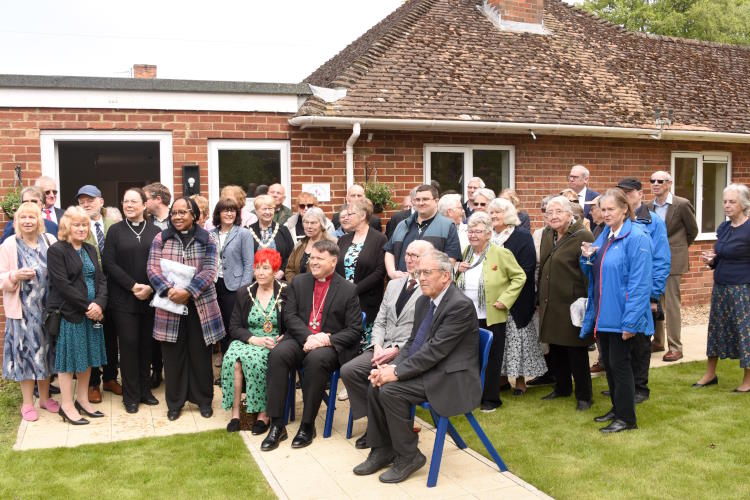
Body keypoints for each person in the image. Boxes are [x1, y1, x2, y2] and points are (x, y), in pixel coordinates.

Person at [353, 250, 480, 483]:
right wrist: (389, 369)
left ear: (445, 276)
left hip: (451, 377)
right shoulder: (424, 301)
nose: (420, 277)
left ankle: (409, 455)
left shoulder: (459, 306)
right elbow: (414, 343)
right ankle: (382, 449)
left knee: (391, 390)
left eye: (426, 272)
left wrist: (397, 373)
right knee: (376, 384)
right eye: (419, 272)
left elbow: (435, 352)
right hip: (430, 369)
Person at [261, 240, 362, 451]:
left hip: (328, 346)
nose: (313, 262)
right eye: (312, 257)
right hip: (300, 338)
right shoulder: (299, 282)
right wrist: (309, 337)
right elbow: (289, 315)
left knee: (316, 361)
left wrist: (326, 339)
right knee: (278, 355)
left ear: (333, 262)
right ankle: (277, 425)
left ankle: (308, 425)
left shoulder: (348, 289)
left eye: (319, 258)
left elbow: (354, 330)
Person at [340, 240, 432, 448]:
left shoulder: (428, 290)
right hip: (382, 347)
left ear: (427, 259)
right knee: (349, 370)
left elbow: (421, 331)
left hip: (405, 351)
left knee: (383, 381)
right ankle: (375, 424)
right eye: (407, 254)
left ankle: (380, 430)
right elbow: (380, 320)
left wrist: (396, 350)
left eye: (415, 255)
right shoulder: (393, 284)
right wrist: (378, 345)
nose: (409, 259)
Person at [580, 189, 653, 433]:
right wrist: (586, 257)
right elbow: (594, 269)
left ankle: (627, 419)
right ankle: (617, 409)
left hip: (622, 316)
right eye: (603, 209)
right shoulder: (606, 235)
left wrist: (630, 322)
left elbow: (640, 283)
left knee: (621, 367)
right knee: (610, 366)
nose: (606, 213)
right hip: (604, 314)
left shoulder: (637, 237)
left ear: (624, 209)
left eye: (611, 209)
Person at [147, 197, 225, 421]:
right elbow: (152, 268)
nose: (178, 216)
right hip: (170, 304)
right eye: (174, 213)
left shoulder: (207, 239)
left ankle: (204, 400)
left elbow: (210, 270)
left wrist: (188, 291)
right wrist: (168, 290)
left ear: (194, 215)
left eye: (183, 212)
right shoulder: (161, 238)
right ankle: (175, 402)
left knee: (201, 355)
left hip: (200, 305)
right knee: (173, 356)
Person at [456, 212, 525, 411]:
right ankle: (472, 397)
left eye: (478, 231)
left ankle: (491, 400)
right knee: (470, 358)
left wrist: (505, 299)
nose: (473, 235)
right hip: (467, 316)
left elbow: (519, 277)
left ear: (488, 234)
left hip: (491, 316)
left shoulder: (500, 253)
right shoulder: (467, 251)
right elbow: (456, 279)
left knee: (492, 359)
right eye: (470, 231)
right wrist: (457, 269)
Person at [101, 188, 161, 413]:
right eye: (126, 201)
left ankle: (145, 391)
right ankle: (131, 396)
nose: (129, 205)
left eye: (133, 201)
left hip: (149, 298)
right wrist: (133, 285)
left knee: (146, 346)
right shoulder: (115, 231)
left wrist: (150, 287)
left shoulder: (155, 231)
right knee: (128, 346)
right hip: (123, 299)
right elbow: (109, 263)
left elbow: (159, 264)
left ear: (144, 205)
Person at [47, 206, 108, 425]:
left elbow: (100, 279)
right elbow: (62, 285)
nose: (82, 229)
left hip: (93, 314)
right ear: (66, 227)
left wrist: (99, 304)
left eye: (84, 225)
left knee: (88, 358)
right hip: (71, 313)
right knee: (69, 361)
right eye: (77, 225)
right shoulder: (57, 250)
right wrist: (88, 306)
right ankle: (67, 405)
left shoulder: (91, 249)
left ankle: (83, 400)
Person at [0, 201, 60, 421]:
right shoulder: (9, 244)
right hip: (23, 313)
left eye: (32, 217)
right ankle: (27, 403)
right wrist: (14, 276)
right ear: (17, 221)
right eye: (23, 217)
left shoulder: (50, 241)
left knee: (46, 354)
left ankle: (44, 399)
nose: (27, 221)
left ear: (39, 220)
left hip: (47, 310)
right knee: (26, 355)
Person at [537, 196, 595, 410]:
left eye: (558, 212)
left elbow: (589, 270)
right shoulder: (546, 234)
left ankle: (584, 396)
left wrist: (588, 302)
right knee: (556, 346)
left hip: (573, 302)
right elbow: (543, 266)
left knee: (575, 350)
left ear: (570, 215)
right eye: (549, 212)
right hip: (550, 301)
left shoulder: (583, 234)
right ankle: (562, 388)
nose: (553, 216)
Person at [221, 249, 287, 433]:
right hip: (248, 338)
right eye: (257, 268)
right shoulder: (245, 292)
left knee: (256, 360)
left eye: (266, 268)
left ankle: (263, 413)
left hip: (273, 341)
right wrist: (254, 339)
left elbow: (293, 321)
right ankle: (236, 413)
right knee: (232, 360)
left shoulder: (285, 291)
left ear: (275, 270)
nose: (260, 272)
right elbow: (234, 327)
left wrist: (285, 337)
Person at [617, 177, 671, 404]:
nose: (626, 196)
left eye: (630, 192)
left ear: (640, 194)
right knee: (622, 343)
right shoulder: (619, 220)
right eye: (622, 193)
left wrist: (653, 295)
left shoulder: (654, 222)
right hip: (621, 292)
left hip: (643, 292)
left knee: (640, 342)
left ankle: (640, 388)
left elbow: (661, 260)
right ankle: (624, 385)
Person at [694, 184, 750, 392]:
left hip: (742, 289)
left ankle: (748, 379)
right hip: (720, 287)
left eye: (732, 202)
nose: (726, 205)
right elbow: (722, 257)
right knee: (716, 330)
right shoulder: (724, 228)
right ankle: (710, 373)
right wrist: (712, 260)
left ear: (743, 204)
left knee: (744, 333)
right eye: (725, 201)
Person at [489, 198, 546, 394]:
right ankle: (502, 378)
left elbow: (528, 268)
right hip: (492, 298)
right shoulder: (489, 237)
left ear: (508, 215)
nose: (494, 216)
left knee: (518, 340)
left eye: (498, 212)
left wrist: (507, 291)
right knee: (499, 339)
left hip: (518, 297)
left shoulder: (521, 236)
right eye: (492, 213)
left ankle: (520, 380)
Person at [647, 170, 699, 361]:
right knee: (655, 300)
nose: (655, 184)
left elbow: (692, 231)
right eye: (652, 180)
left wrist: (677, 249)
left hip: (674, 261)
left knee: (671, 304)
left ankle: (676, 347)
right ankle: (658, 341)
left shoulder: (682, 204)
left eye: (660, 181)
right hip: (653, 261)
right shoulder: (647, 206)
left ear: (669, 183)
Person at [76, 185, 121, 403]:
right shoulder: (78, 227)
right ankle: (94, 383)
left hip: (116, 290)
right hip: (90, 292)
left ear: (100, 201)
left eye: (90, 200)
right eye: (82, 201)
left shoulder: (114, 225)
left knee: (112, 337)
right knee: (93, 336)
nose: (86, 204)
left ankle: (111, 378)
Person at [335, 199, 387, 351]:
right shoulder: (343, 240)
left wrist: (354, 290)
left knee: (364, 347)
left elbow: (379, 272)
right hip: (343, 302)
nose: (346, 217)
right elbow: (336, 267)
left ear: (363, 215)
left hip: (366, 301)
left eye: (350, 214)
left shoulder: (379, 239)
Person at [384, 184, 461, 279]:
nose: (421, 203)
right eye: (418, 199)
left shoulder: (447, 226)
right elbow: (390, 251)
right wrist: (392, 273)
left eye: (425, 199)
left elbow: (450, 260)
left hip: (430, 288)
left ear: (436, 201)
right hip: (402, 284)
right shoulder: (402, 225)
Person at [210, 198, 255, 355]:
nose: (229, 213)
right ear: (218, 213)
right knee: (219, 327)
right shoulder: (210, 234)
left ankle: (234, 366)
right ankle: (224, 364)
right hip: (214, 285)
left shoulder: (243, 233)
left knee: (232, 327)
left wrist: (243, 290)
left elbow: (249, 264)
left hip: (234, 287)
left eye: (232, 210)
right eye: (225, 210)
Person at [143, 182, 172, 389]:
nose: (144, 203)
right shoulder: (147, 222)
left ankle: (173, 372)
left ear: (158, 199)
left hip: (175, 285)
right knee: (154, 330)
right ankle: (156, 370)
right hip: (152, 282)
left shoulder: (177, 218)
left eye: (146, 199)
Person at [248, 194, 295, 281]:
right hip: (255, 280)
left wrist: (282, 271)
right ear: (256, 211)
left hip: (279, 280)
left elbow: (291, 254)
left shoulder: (283, 230)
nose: (268, 212)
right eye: (264, 209)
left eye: (270, 209)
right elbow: (244, 258)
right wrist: (254, 273)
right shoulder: (247, 231)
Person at [284, 207, 337, 283]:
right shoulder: (300, 243)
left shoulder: (332, 243)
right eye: (306, 222)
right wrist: (297, 284)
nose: (309, 226)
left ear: (321, 224)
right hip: (299, 290)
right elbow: (289, 269)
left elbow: (334, 270)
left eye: (313, 223)